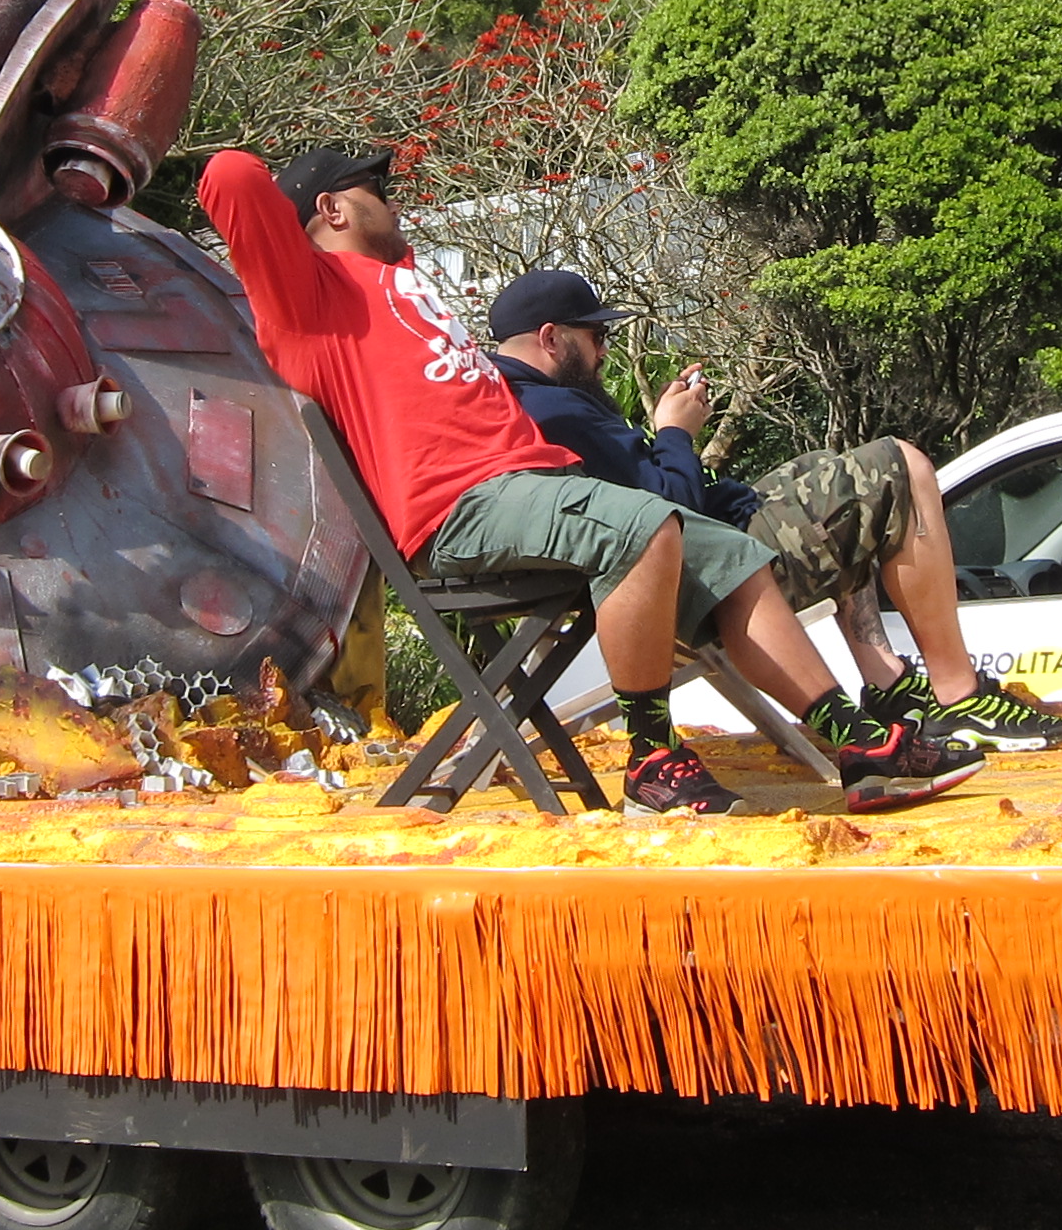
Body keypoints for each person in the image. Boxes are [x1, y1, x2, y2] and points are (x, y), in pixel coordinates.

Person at [199, 144, 978, 816]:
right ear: (331, 209)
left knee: (730, 555)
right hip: (459, 510)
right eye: (376, 188)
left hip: (532, 489)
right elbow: (228, 176)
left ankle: (858, 745)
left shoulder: (396, 280)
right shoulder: (308, 301)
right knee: (644, 526)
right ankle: (652, 761)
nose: (395, 199)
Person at [481, 268, 1061, 755]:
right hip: (719, 571)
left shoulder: (520, 400)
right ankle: (959, 694)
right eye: (595, 335)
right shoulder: (554, 409)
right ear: (551, 337)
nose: (604, 349)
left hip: (714, 538)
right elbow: (666, 514)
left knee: (820, 471)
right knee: (901, 466)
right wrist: (675, 431)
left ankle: (886, 681)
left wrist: (669, 436)